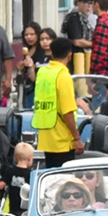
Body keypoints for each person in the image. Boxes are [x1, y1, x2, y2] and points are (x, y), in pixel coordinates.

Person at [33, 34, 80, 168]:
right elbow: (68, 112)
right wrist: (76, 137)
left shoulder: (43, 72)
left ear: (51, 54)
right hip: (62, 139)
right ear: (70, 55)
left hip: (46, 137)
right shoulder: (63, 75)